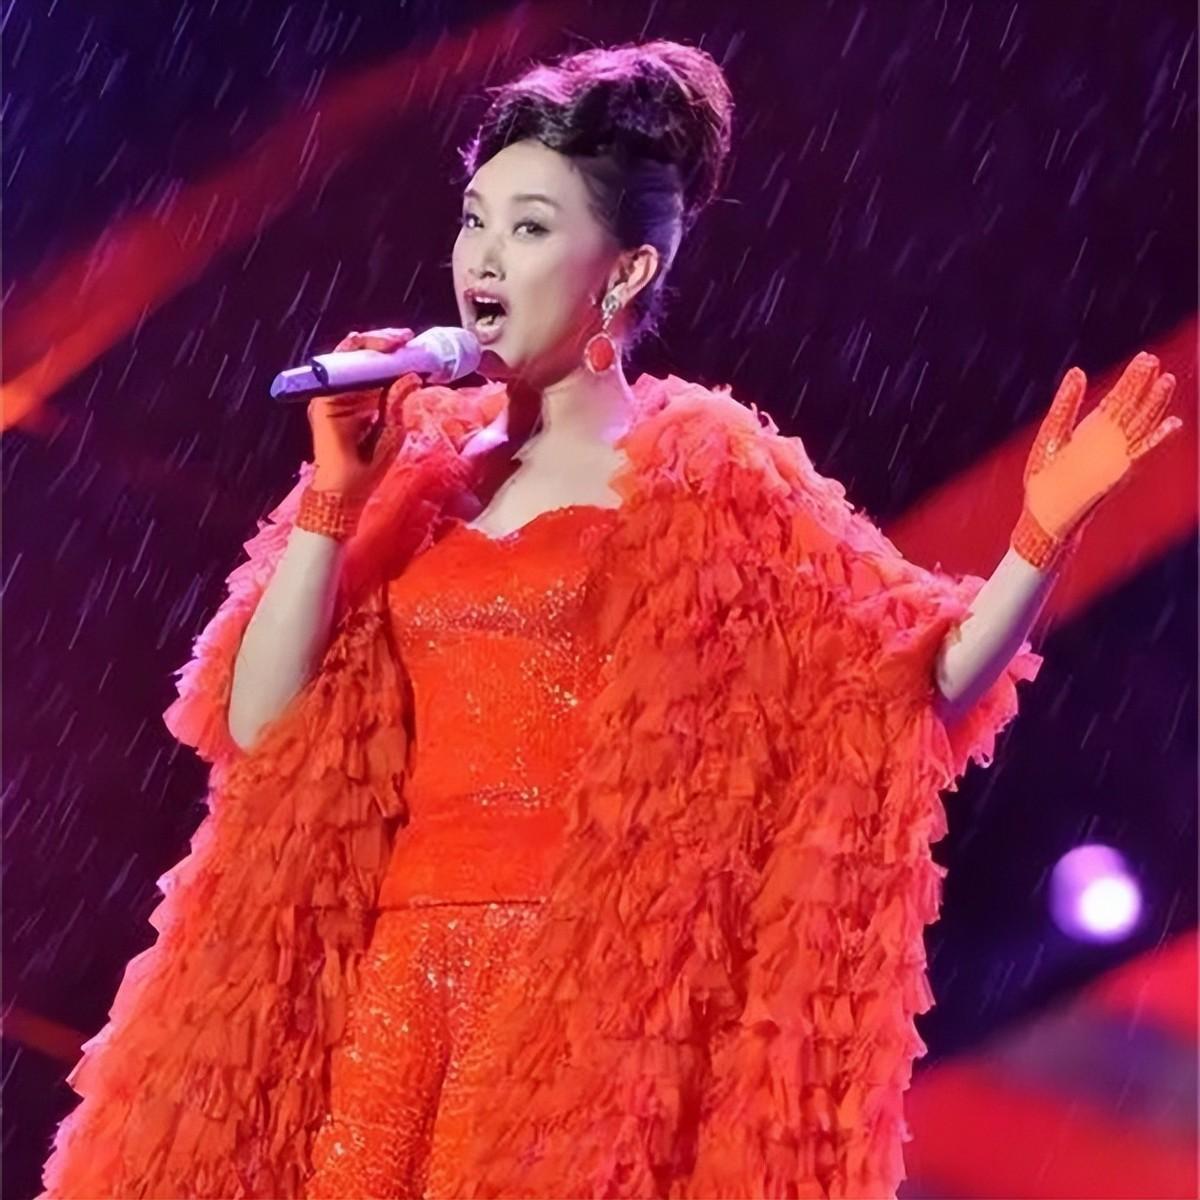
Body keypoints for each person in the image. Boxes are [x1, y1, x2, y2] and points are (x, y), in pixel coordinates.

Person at [37, 37, 1180, 1200]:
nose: (482, 256)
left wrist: (1040, 538)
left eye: (529, 227)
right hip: (369, 1001)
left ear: (625, 273)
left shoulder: (708, 472)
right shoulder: (408, 460)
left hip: (567, 1021)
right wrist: (336, 498)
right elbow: (258, 728)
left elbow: (909, 678)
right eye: (475, 220)